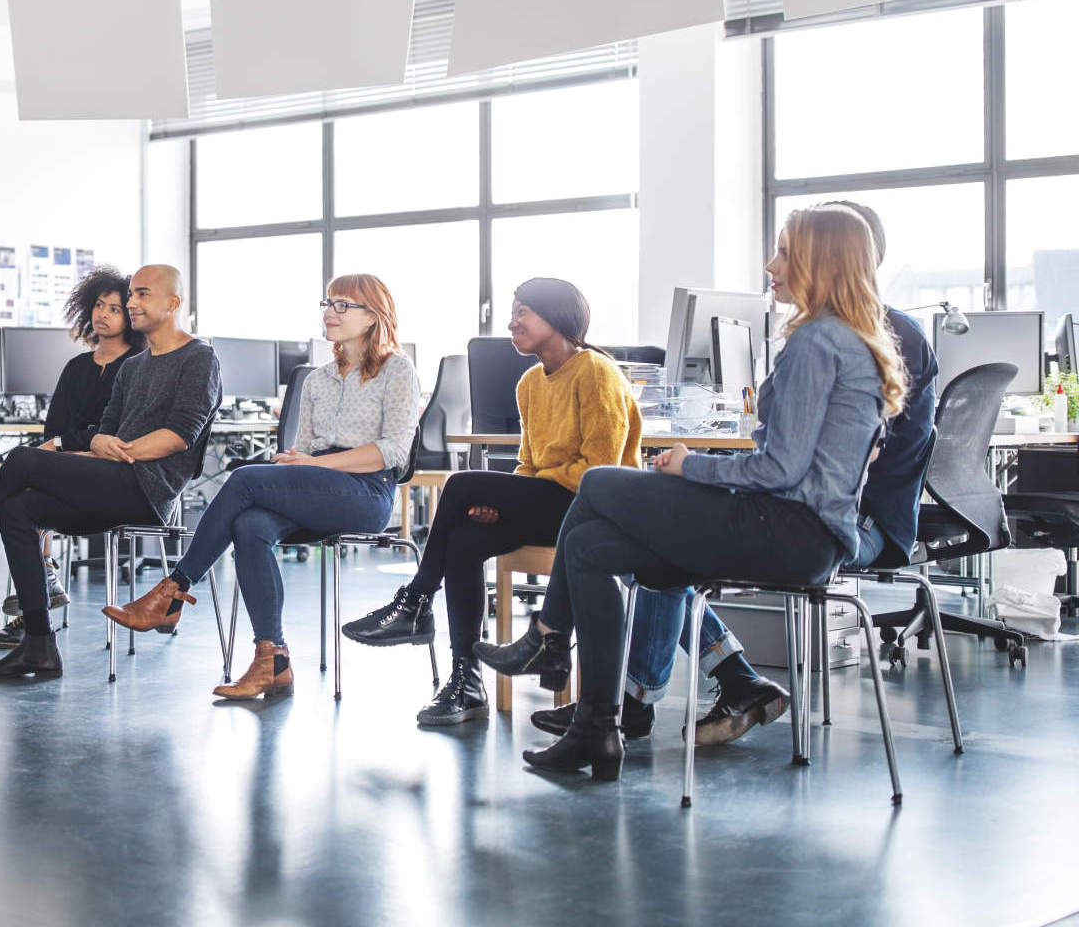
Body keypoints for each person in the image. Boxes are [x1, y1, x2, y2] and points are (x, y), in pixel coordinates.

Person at [482, 203, 904, 780]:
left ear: (818, 260)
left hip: (788, 531)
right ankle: (595, 729)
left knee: (602, 482)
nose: (770, 263)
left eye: (783, 250)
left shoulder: (817, 342)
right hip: (800, 532)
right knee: (591, 547)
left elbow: (777, 470)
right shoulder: (847, 338)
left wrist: (689, 466)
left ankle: (553, 643)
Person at [0, 265, 220, 680]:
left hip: (149, 493)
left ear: (172, 303)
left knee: (21, 459)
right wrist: (101, 447)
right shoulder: (133, 368)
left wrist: (115, 450)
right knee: (16, 508)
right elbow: (103, 435)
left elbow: (179, 435)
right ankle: (38, 645)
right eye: (132, 295)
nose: (132, 303)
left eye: (141, 295)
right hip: (111, 483)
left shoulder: (200, 358)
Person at [338, 278, 640, 726]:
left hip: (593, 507)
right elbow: (529, 465)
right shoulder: (531, 383)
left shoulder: (596, 372)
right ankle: (466, 681)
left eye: (523, 312)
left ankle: (417, 601)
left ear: (556, 318)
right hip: (552, 504)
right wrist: (504, 506)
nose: (511, 322)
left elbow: (598, 470)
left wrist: (517, 495)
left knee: (459, 486)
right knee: (463, 539)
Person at [105, 274, 419, 698]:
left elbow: (394, 451)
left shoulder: (397, 370)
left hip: (367, 493)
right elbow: (302, 450)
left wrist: (314, 463)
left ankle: (173, 591)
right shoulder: (316, 380)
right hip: (317, 486)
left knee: (244, 478)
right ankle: (273, 659)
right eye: (327, 302)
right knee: (251, 524)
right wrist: (295, 460)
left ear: (372, 317)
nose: (329, 312)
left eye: (343, 305)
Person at [0, 265, 145, 649]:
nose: (103, 314)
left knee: (29, 478)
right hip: (68, 466)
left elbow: (115, 433)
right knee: (22, 492)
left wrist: (67, 446)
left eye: (115, 309)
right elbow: (52, 431)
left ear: (130, 318)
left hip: (110, 473)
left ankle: (39, 592)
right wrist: (66, 445)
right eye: (99, 306)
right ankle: (43, 583)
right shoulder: (75, 368)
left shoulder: (137, 368)